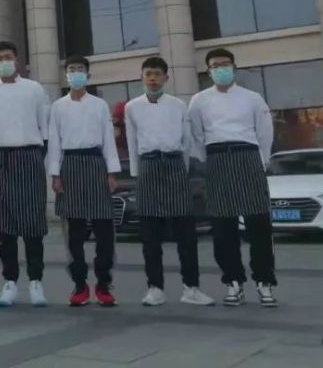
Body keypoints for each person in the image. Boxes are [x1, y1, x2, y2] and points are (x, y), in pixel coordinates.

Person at [187, 48, 277, 307]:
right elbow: (196, 135)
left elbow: (265, 132)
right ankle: (233, 281)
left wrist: (262, 160)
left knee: (259, 224)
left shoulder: (252, 98)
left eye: (226, 64)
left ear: (234, 67)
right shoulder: (199, 100)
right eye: (216, 65)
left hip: (248, 156)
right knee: (223, 228)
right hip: (217, 159)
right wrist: (207, 161)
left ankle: (264, 281)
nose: (221, 69)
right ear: (208, 70)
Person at [124, 56, 215, 307]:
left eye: (157, 74)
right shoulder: (132, 107)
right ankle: (155, 288)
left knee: (186, 233)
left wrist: (182, 170)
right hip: (148, 165)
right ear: (142, 77)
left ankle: (191, 287)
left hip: (175, 164)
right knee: (150, 235)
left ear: (166, 77)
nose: (152, 78)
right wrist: (137, 173)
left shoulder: (178, 105)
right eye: (148, 74)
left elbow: (186, 141)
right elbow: (132, 142)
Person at [0, 41, 50, 308]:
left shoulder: (34, 89)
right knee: (5, 227)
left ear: (17, 60)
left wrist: (37, 156)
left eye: (8, 57)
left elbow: (45, 126)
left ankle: (36, 282)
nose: (4, 62)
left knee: (33, 226)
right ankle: (9, 282)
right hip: (1, 159)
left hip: (29, 156)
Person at [48, 56, 120, 307]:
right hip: (70, 166)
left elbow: (108, 139)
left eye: (80, 70)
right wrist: (55, 174)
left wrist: (112, 172)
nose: (76, 73)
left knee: (104, 230)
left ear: (88, 75)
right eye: (72, 70)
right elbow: (54, 141)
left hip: (96, 164)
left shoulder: (99, 105)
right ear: (66, 75)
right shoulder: (58, 107)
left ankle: (103, 283)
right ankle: (80, 284)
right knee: (74, 233)